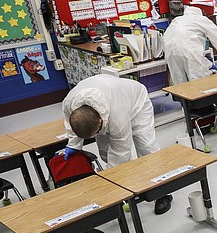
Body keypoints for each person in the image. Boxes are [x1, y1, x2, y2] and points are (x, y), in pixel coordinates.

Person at [62, 74, 172, 214]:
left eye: (96, 132)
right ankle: (127, 186)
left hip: (136, 102)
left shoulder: (117, 117)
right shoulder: (69, 103)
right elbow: (70, 124)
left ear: (100, 121)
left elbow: (121, 151)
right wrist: (73, 144)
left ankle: (162, 192)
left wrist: (109, 179)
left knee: (146, 147)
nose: (97, 136)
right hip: (111, 96)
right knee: (104, 150)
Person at [163, 2, 217, 85]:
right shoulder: (201, 19)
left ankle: (184, 97)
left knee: (180, 84)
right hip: (189, 50)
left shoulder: (177, 20)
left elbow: (166, 36)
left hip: (169, 52)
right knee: (198, 82)